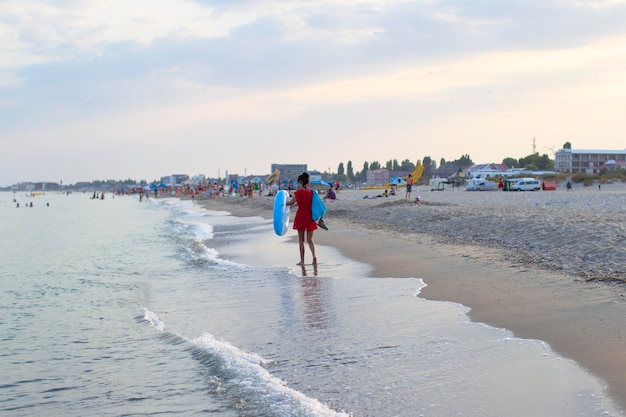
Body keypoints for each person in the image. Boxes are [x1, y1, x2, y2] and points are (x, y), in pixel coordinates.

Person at [286, 172, 319, 265]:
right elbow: (311, 203)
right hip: (310, 215)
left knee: (301, 240)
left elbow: (291, 202)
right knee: (310, 239)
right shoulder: (312, 192)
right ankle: (314, 257)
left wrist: (282, 203)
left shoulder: (298, 192)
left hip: (301, 216)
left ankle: (302, 261)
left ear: (301, 181)